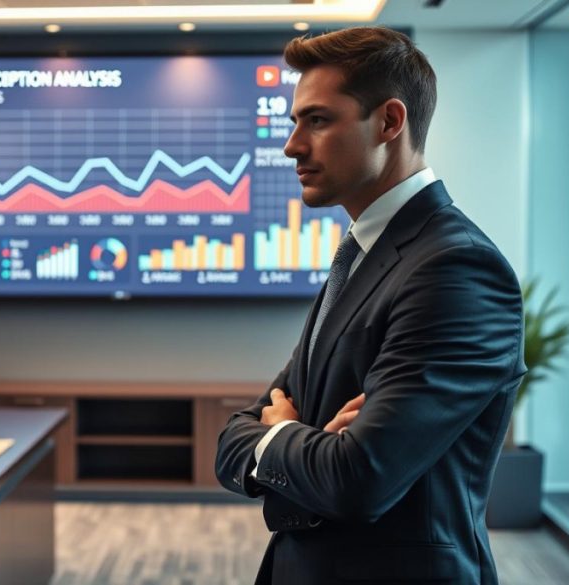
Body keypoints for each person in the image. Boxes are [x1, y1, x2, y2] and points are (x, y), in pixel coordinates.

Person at [215, 27, 526, 585]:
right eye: (295, 122)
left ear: (389, 122)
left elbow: (358, 479)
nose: (292, 146)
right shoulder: (365, 255)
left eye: (317, 120)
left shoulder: (456, 268)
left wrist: (281, 435)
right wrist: (303, 439)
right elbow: (234, 437)